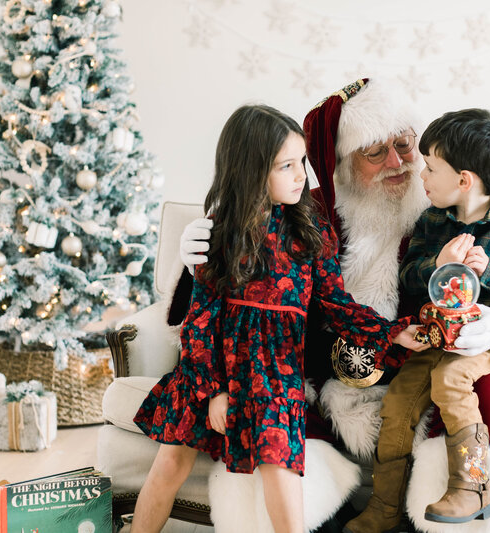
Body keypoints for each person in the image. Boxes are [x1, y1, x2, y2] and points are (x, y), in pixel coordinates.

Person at [176, 79, 490, 533]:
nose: (398, 163)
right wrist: (201, 254)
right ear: (344, 165)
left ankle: (470, 502)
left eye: (405, 145)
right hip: (331, 385)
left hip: (436, 369)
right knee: (276, 422)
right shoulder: (307, 214)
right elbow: (230, 295)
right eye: (373, 152)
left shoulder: (456, 212)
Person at [131, 104, 427, 533]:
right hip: (214, 370)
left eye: (301, 163)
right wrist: (214, 391)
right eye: (285, 166)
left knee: (281, 471)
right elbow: (200, 325)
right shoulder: (220, 235)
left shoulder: (312, 231)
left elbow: (338, 306)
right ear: (251, 172)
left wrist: (393, 335)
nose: (300, 176)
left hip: (275, 375)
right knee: (170, 462)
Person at [350, 108, 490, 527]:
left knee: (451, 380)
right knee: (399, 401)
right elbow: (407, 278)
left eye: (430, 168)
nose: (421, 176)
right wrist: (437, 264)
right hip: (433, 337)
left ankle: (473, 485)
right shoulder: (432, 221)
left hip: (481, 345)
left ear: (464, 180)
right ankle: (384, 507)